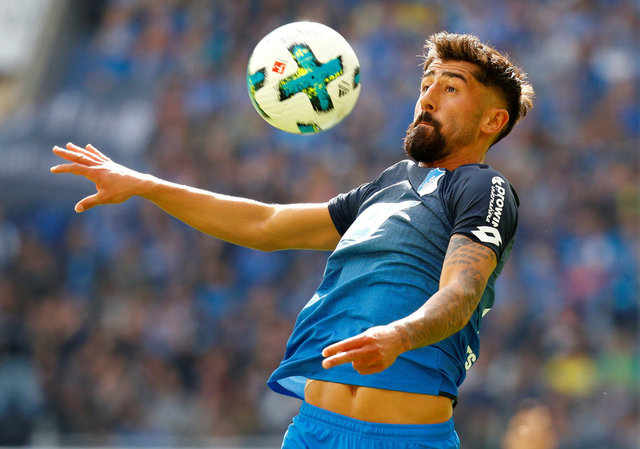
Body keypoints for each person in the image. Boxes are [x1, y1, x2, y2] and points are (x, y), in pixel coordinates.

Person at [51, 31, 534, 449]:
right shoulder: (388, 184)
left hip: (404, 438)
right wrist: (146, 185)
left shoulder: (482, 186)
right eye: (426, 84)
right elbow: (266, 224)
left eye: (450, 88)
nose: (427, 98)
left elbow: (462, 291)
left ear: (492, 121)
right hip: (312, 431)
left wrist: (398, 335)